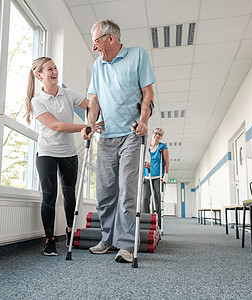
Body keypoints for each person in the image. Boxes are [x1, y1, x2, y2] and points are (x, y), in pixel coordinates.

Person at [82, 19, 156, 263]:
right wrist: (90, 124)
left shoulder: (137, 55)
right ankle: (108, 238)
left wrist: (144, 120)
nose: (94, 47)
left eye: (96, 41)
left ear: (110, 38)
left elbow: (148, 94)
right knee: (104, 192)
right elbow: (94, 100)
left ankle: (125, 244)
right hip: (107, 135)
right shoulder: (97, 66)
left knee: (127, 189)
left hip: (131, 134)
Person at [24, 57, 103, 256]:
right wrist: (86, 127)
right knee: (50, 195)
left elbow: (92, 105)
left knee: (70, 195)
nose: (54, 71)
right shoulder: (37, 101)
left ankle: (69, 232)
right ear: (40, 75)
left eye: (55, 68)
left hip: (68, 153)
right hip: (47, 153)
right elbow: (56, 126)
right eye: (49, 69)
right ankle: (49, 240)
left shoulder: (69, 94)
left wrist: (91, 118)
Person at [143, 128, 170, 228]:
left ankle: (157, 224)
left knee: (157, 199)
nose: (157, 136)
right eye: (156, 133)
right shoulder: (146, 147)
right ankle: (145, 222)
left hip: (158, 177)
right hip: (147, 176)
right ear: (152, 134)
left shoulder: (163, 147)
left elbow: (166, 162)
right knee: (145, 199)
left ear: (161, 137)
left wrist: (165, 175)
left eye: (160, 134)